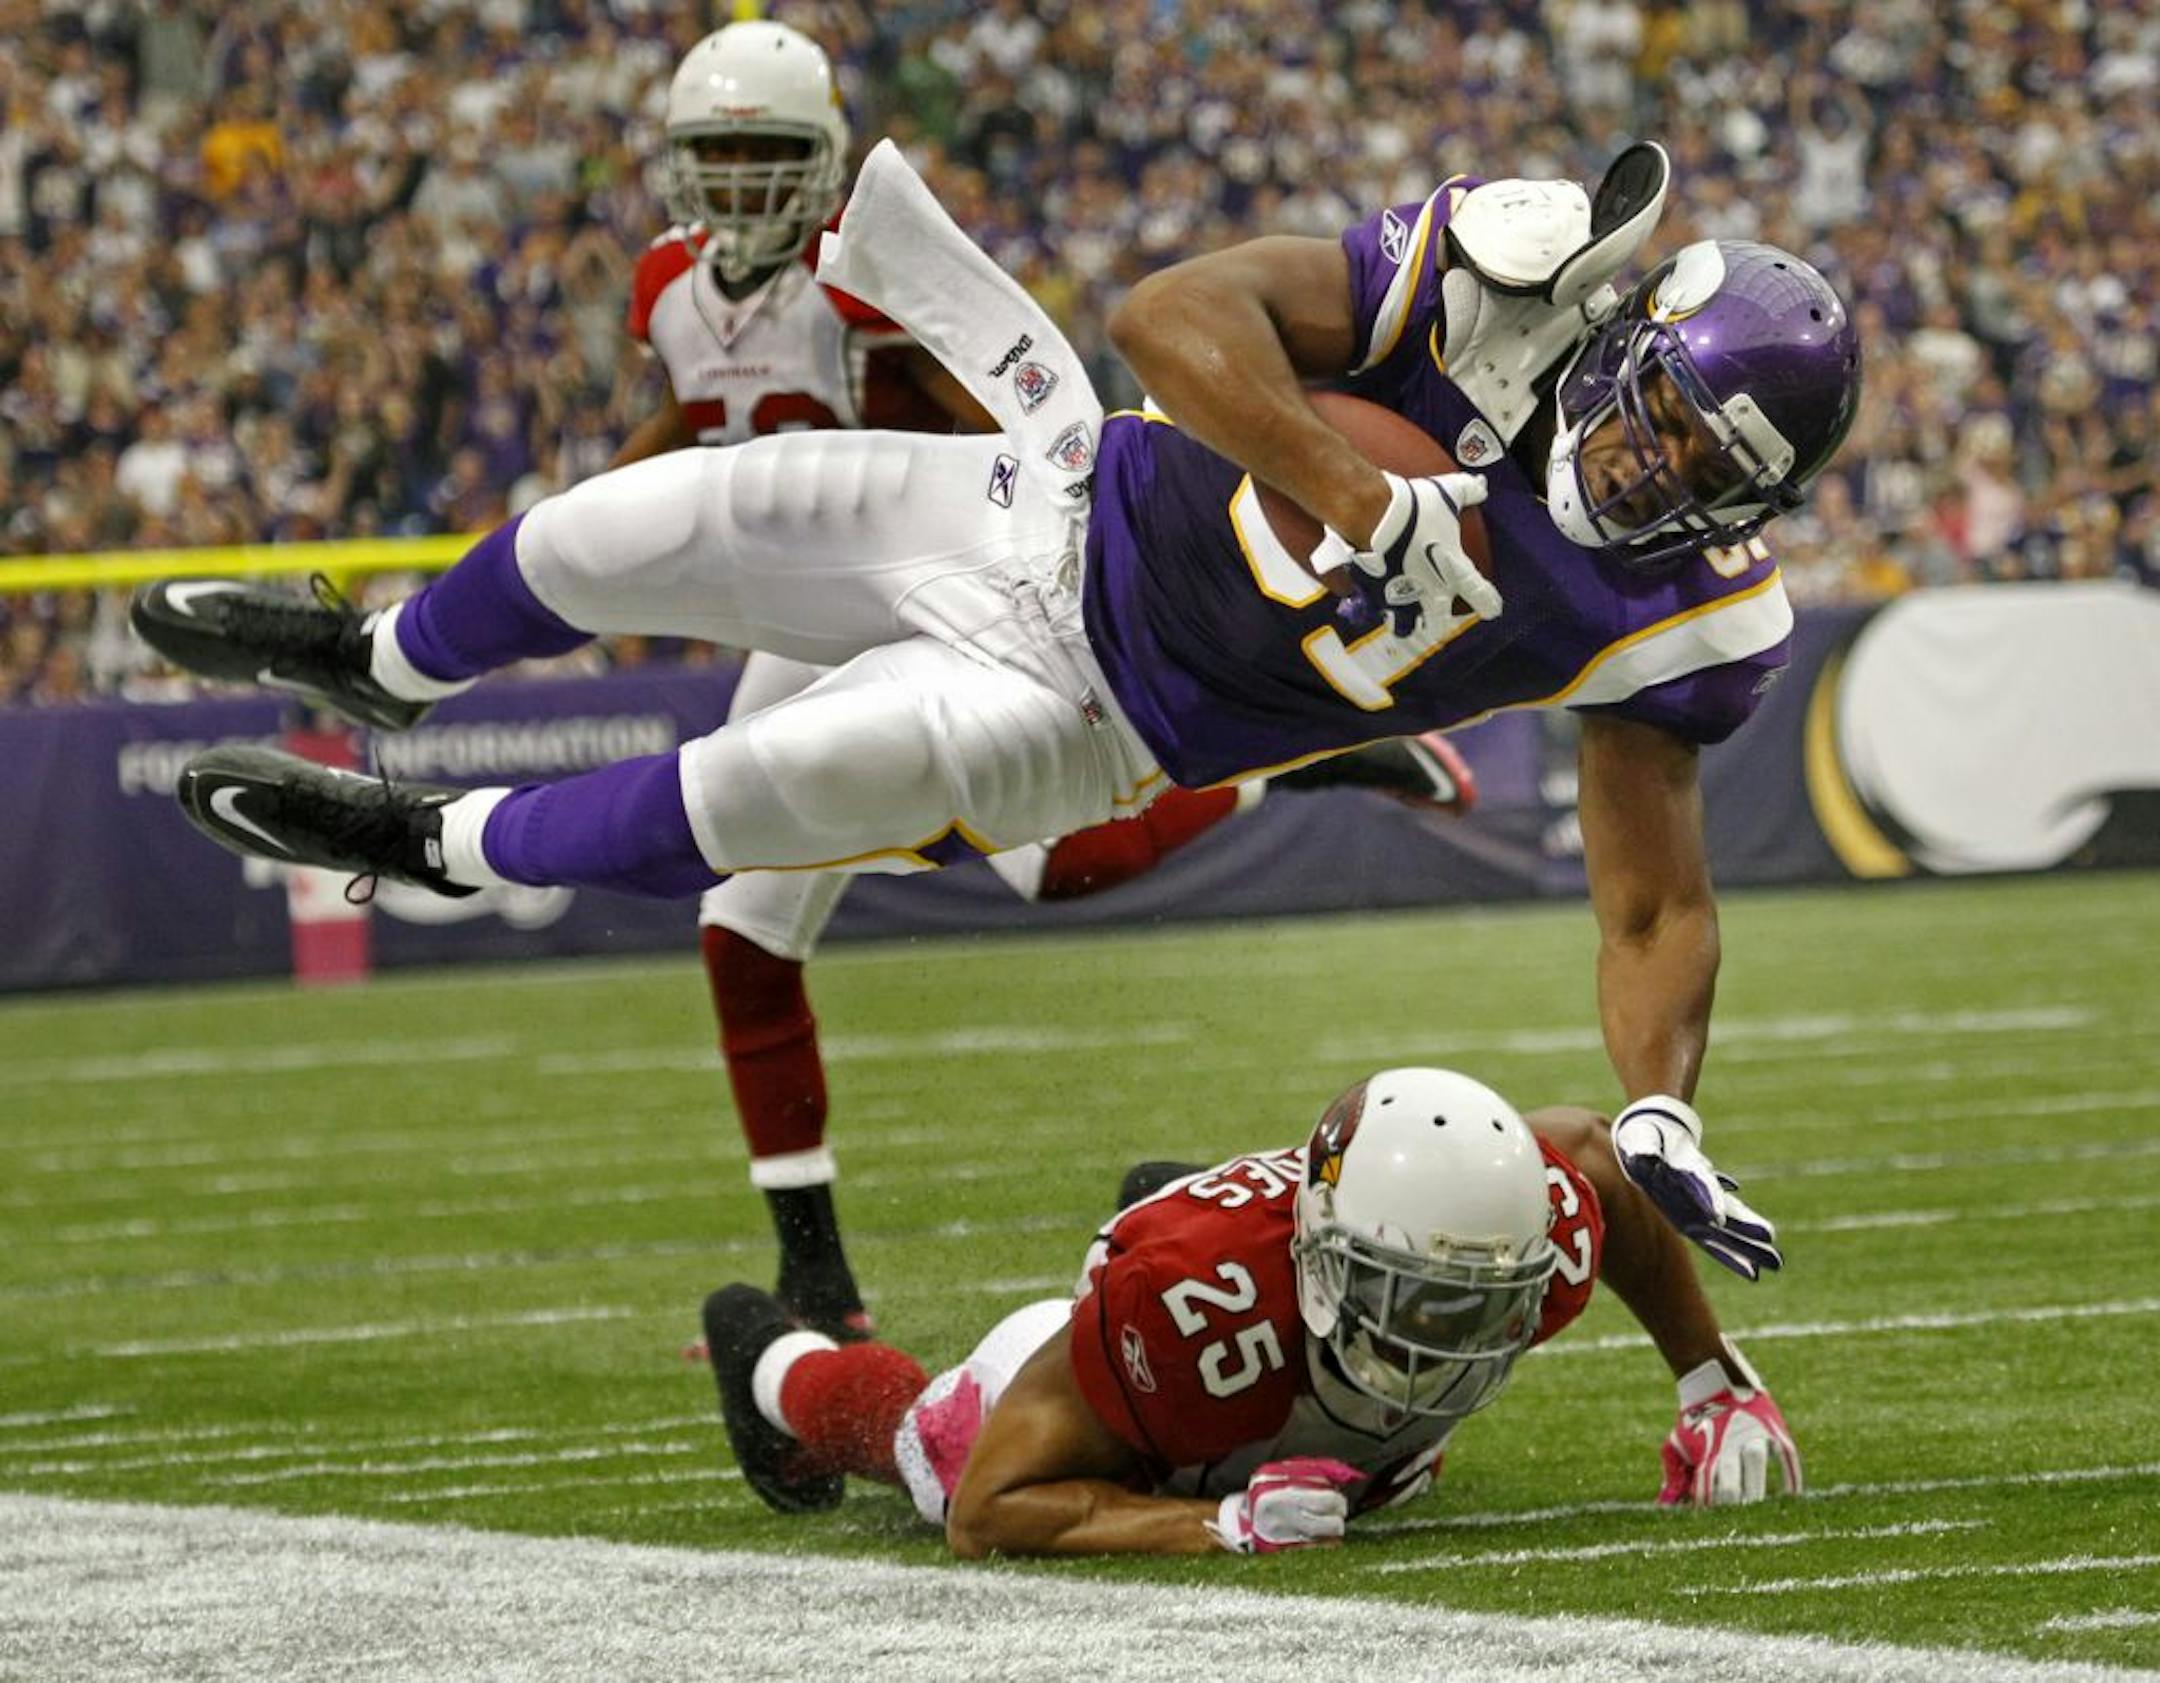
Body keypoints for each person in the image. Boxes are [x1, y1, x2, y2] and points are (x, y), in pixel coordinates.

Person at [131, 138, 1862, 1277]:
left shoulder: (1690, 618)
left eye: (1705, 472)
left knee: (770, 789)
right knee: (635, 526)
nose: (1651, 467)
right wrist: (1354, 487)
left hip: (1098, 724)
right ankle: (381, 664)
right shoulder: (1507, 279)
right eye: (1660, 414)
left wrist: (1661, 1108)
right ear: (1630, 339)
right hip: (1037, 500)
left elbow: (1653, 899)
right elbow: (1171, 317)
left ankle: (419, 840)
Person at [136, 24, 1474, 1344]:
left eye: (763, 157)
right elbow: (697, 417)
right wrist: (627, 491)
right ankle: (814, 1271)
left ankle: (1293, 764)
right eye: (712, 159)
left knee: (997, 868)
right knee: (740, 899)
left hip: (955, 570)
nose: (735, 188)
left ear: (819, 159)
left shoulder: (852, 294)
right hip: (808, 583)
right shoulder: (669, 278)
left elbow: (997, 438)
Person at [696, 1068, 1802, 1555]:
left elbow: (1596, 1154)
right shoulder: (1189, 1318)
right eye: (1416, 1293)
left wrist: (1715, 1381)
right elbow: (990, 1511)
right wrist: (1209, 1524)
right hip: (1154, 1341)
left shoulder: (1525, 1235)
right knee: (926, 1448)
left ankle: (1169, 1189)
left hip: (1268, 1259)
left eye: (1477, 1301)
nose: (1451, 1333)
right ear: (1322, 1262)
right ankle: (767, 1359)